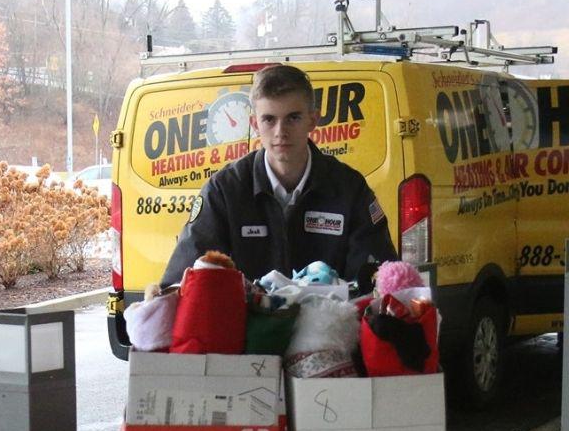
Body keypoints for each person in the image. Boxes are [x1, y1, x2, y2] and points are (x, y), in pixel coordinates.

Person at [160, 64, 397, 287]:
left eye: (293, 118)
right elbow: (185, 280)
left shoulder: (349, 189)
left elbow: (378, 281)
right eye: (269, 119)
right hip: (247, 329)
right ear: (254, 124)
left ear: (313, 120)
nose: (280, 132)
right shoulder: (225, 191)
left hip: (329, 326)